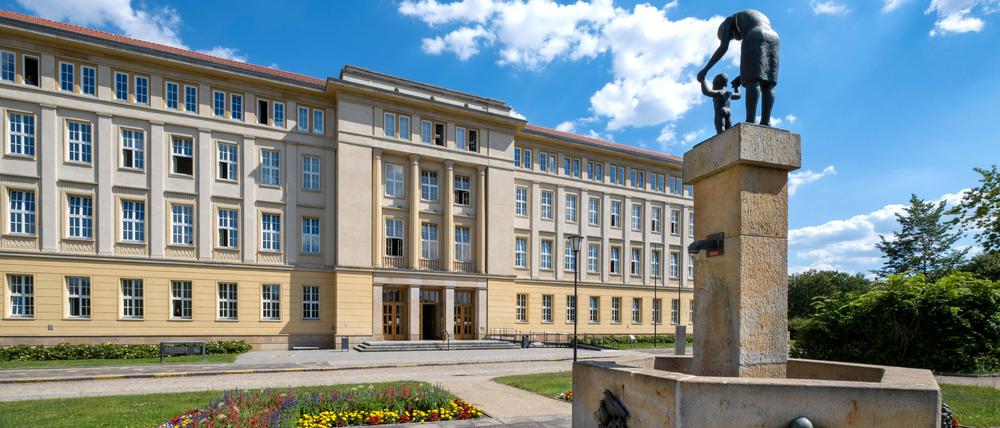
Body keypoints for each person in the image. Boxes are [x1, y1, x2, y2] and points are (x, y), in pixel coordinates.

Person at [697, 9, 779, 126]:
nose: (734, 38)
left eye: (730, 36)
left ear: (726, 30)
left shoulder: (728, 21)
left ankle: (750, 120)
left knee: (753, 82)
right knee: (769, 83)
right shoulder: (748, 17)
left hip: (754, 35)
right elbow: (760, 67)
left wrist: (705, 70)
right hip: (774, 37)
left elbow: (723, 47)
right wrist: (742, 76)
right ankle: (766, 121)